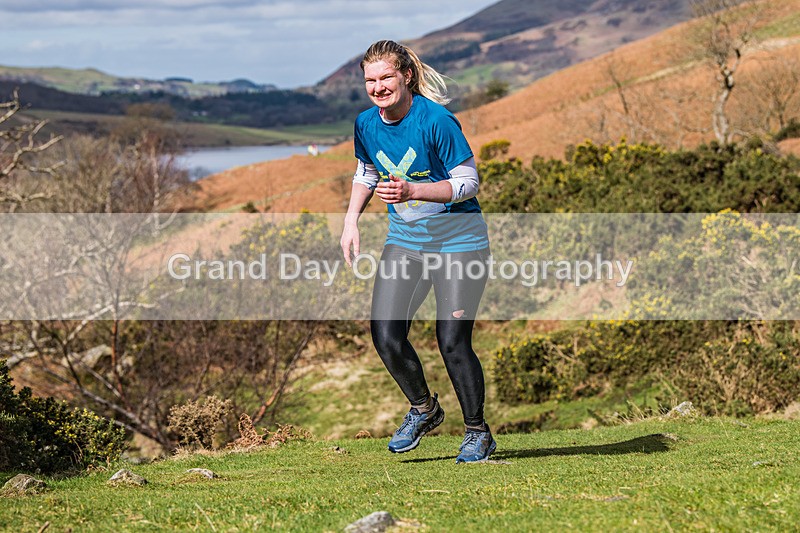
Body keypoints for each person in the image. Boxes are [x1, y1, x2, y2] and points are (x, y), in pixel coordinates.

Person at [339, 40, 495, 463]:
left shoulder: (437, 120)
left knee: (452, 341)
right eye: (370, 80)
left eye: (386, 77)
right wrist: (351, 219)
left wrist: (413, 190)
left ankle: (478, 432)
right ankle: (424, 409)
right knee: (386, 336)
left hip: (460, 243)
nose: (377, 87)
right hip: (405, 243)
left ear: (406, 75)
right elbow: (366, 170)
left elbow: (468, 183)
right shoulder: (366, 123)